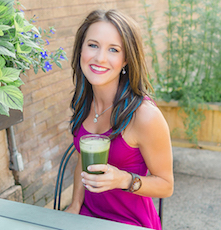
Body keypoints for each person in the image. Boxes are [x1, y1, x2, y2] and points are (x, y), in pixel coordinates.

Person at [64, 9, 174, 230]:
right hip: (87, 218)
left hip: (130, 223)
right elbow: (81, 160)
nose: (99, 58)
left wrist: (124, 180)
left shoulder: (144, 115)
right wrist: (75, 205)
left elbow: (166, 186)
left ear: (126, 60)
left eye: (113, 49)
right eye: (93, 45)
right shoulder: (84, 102)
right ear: (80, 49)